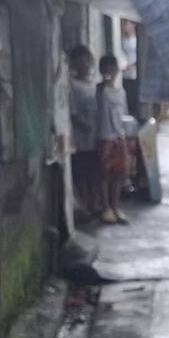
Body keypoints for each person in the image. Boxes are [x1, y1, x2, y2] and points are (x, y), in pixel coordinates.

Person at [64, 45, 105, 226]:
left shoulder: (95, 85)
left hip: (97, 137)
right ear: (74, 63)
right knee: (81, 172)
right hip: (80, 139)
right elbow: (71, 113)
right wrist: (83, 125)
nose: (84, 63)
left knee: (95, 172)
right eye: (80, 59)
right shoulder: (72, 85)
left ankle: (95, 203)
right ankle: (85, 205)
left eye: (87, 59)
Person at [97, 53, 135, 225]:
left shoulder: (121, 92)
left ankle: (116, 206)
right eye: (106, 69)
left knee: (119, 174)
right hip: (104, 136)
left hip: (119, 137)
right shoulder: (99, 91)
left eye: (112, 69)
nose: (109, 73)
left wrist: (127, 136)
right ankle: (105, 208)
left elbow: (124, 115)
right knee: (105, 175)